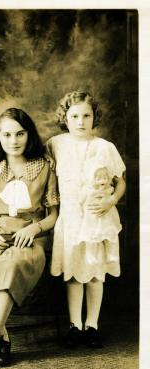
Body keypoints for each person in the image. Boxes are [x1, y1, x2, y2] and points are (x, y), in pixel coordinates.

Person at [0, 108, 59, 369]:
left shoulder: (44, 167)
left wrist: (34, 229)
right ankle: (2, 338)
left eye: (20, 133)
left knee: (11, 265)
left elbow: (54, 214)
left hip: (31, 237)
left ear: (29, 135)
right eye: (7, 135)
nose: (14, 140)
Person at [46, 90, 126, 348]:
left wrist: (111, 200)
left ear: (94, 117)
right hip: (70, 218)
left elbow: (120, 182)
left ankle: (92, 324)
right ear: (65, 118)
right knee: (72, 272)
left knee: (94, 272)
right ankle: (74, 325)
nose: (81, 121)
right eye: (74, 116)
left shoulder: (105, 147)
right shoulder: (55, 145)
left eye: (86, 115)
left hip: (95, 219)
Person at [77, 160, 122, 265]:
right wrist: (81, 209)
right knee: (91, 235)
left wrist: (110, 199)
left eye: (105, 178)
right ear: (91, 179)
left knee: (110, 234)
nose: (103, 181)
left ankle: (111, 254)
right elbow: (81, 199)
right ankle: (90, 254)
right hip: (92, 216)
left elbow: (112, 195)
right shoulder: (88, 190)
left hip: (107, 216)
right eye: (98, 178)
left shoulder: (109, 189)